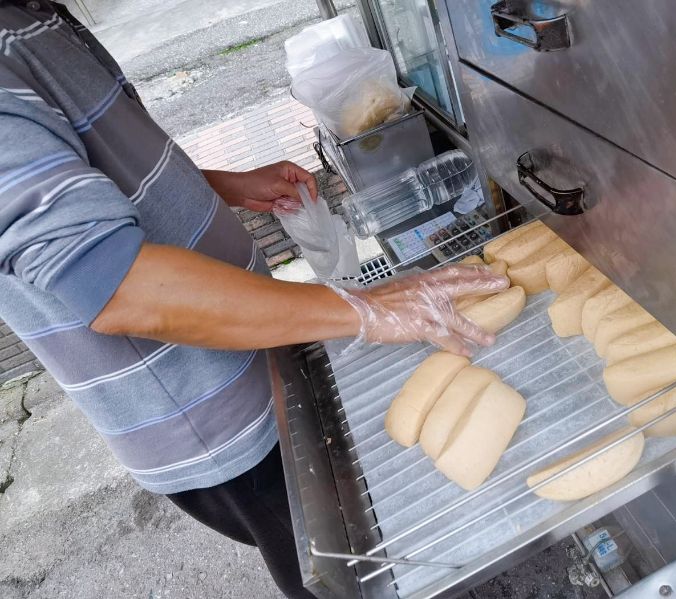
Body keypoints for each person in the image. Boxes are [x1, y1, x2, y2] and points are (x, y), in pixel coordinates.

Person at [0, 2, 507, 597]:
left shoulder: (36, 15)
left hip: (247, 354)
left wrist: (224, 186)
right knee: (349, 576)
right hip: (206, 414)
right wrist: (364, 309)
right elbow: (114, 284)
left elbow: (100, 170)